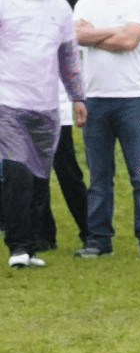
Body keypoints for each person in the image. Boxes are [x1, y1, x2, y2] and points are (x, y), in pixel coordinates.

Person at [0, 0, 87, 268]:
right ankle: (18, 247)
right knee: (18, 172)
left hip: (46, 105)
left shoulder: (59, 6)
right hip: (8, 101)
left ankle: (32, 246)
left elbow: (68, 58)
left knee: (38, 176)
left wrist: (77, 97)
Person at [72, 0, 140, 258]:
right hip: (94, 99)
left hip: (131, 100)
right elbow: (75, 37)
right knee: (99, 177)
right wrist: (110, 31)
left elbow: (128, 41)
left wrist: (95, 34)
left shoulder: (139, 1)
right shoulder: (84, 2)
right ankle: (98, 240)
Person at [34, 82, 91, 252]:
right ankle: (42, 236)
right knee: (36, 177)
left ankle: (90, 230)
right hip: (30, 112)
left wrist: (77, 99)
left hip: (58, 114)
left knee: (68, 175)